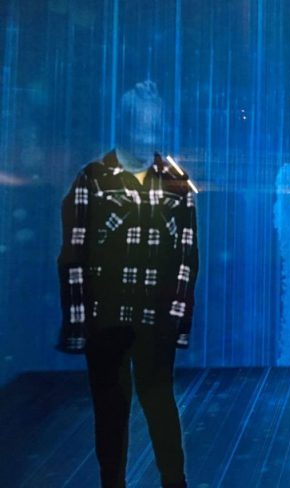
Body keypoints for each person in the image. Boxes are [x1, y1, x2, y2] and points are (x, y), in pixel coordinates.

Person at [56, 81, 198, 488]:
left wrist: (177, 321)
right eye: (141, 127)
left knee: (160, 404)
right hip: (106, 318)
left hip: (156, 318)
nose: (149, 138)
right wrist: (78, 324)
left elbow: (187, 258)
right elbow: (73, 256)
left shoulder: (176, 182)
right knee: (111, 412)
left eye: (155, 128)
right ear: (124, 125)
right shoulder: (93, 180)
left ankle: (174, 482)